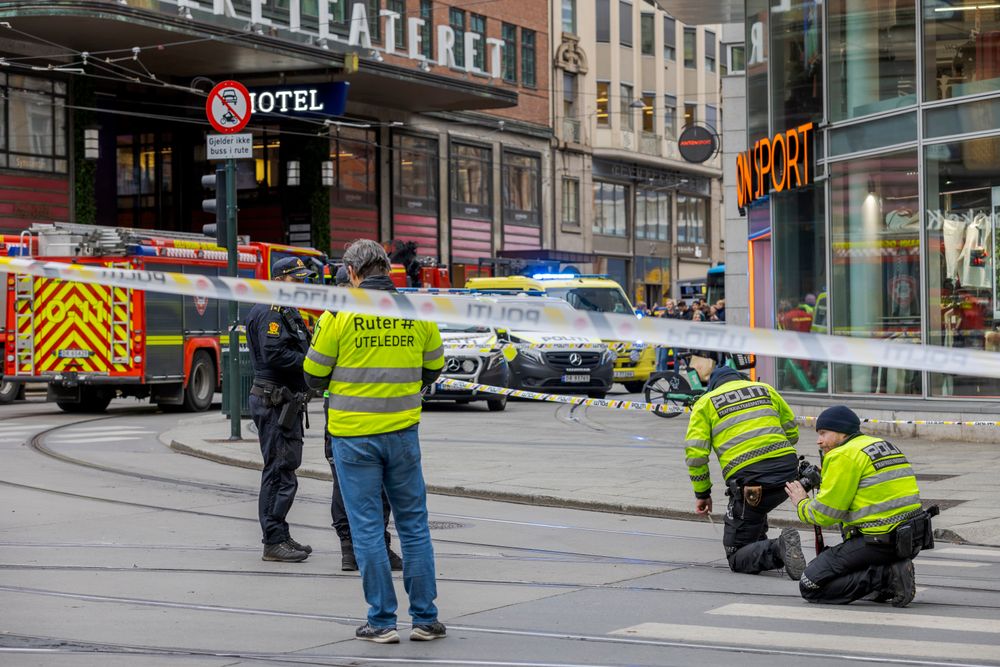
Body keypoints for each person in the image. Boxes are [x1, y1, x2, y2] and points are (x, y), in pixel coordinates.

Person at [304, 239, 447, 644]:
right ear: (387, 268)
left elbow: (313, 373)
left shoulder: (340, 313)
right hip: (402, 434)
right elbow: (434, 367)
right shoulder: (415, 311)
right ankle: (425, 619)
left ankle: (382, 622)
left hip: (353, 438)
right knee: (415, 526)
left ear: (352, 272)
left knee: (367, 529)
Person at [785, 406, 926, 607]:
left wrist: (801, 501)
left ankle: (887, 576)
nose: (819, 440)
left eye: (823, 433)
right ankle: (887, 578)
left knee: (810, 584)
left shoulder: (843, 454)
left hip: (880, 541)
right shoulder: (882, 444)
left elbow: (825, 515)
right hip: (910, 538)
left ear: (842, 432)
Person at [684, 366, 805, 579]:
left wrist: (702, 494)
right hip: (788, 473)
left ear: (712, 386)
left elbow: (696, 456)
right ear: (741, 379)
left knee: (736, 555)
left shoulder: (706, 402)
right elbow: (792, 432)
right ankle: (764, 546)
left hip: (751, 479)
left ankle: (779, 548)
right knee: (755, 512)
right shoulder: (765, 389)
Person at [324, 265, 402, 572]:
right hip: (377, 417)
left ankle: (352, 550)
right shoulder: (367, 312)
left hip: (343, 415)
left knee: (345, 482)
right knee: (375, 484)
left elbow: (314, 371)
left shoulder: (335, 317)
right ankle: (368, 548)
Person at [245, 256, 316, 562]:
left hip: (284, 400)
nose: (302, 284)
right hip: (275, 400)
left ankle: (280, 533)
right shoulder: (272, 311)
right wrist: (313, 364)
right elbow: (275, 354)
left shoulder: (286, 309)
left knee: (285, 466)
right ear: (279, 279)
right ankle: (273, 540)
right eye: (296, 278)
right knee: (278, 470)